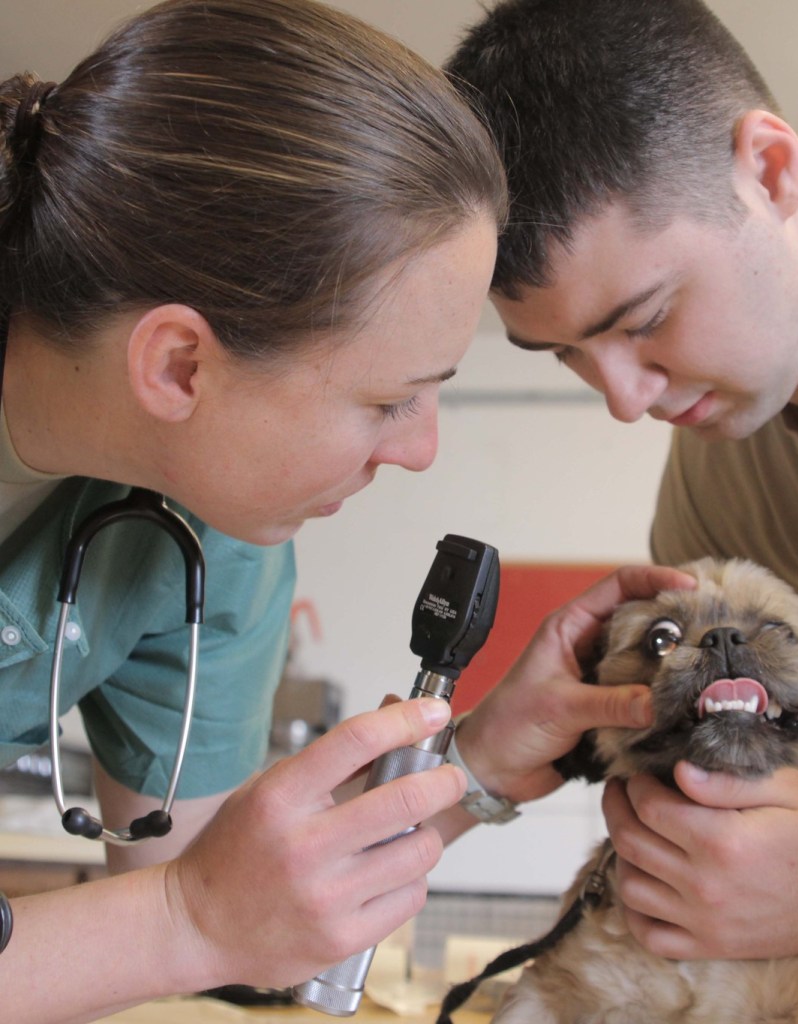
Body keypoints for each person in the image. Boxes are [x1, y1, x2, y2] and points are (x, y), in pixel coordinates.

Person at [0, 2, 691, 1020]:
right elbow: (189, 918)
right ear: (180, 363)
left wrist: (474, 763)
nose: (420, 449)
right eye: (387, 398)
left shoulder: (206, 528)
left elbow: (239, 911)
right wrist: (181, 919)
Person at [446, 0, 798, 962]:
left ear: (771, 170)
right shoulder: (722, 468)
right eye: (567, 356)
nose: (624, 401)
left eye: (645, 318)